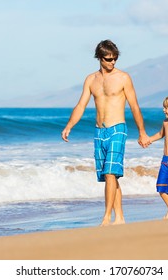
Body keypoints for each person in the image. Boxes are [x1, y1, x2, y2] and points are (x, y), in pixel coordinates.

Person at [61, 40, 150, 226]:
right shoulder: (91, 80)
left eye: (115, 59)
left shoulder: (123, 78)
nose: (113, 63)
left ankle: (106, 218)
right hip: (99, 131)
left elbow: (134, 105)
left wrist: (142, 132)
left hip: (118, 128)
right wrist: (69, 126)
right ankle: (120, 218)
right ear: (99, 58)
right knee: (110, 176)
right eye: (109, 59)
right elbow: (81, 105)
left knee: (110, 173)